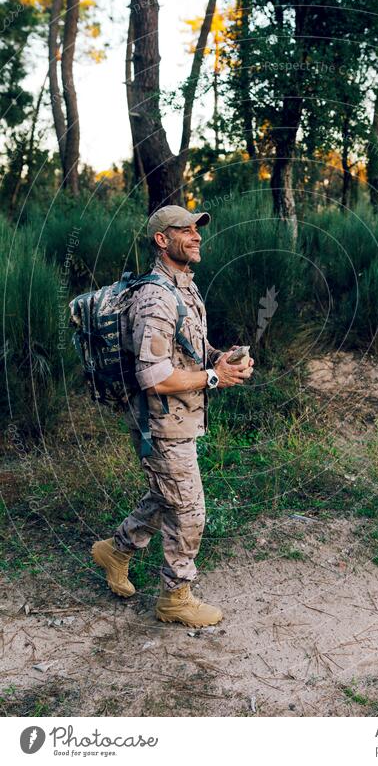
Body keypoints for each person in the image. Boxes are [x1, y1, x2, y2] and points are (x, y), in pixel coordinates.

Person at [91, 206, 254, 626]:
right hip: (159, 421)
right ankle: (175, 597)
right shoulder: (155, 297)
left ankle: (117, 549)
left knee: (169, 495)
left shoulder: (183, 289)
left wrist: (221, 359)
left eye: (198, 230)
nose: (196, 236)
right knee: (189, 508)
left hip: (180, 417)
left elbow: (186, 348)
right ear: (162, 240)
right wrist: (214, 379)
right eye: (185, 230)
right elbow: (154, 377)